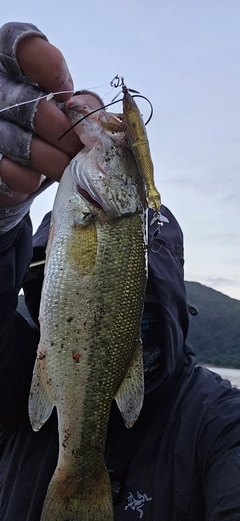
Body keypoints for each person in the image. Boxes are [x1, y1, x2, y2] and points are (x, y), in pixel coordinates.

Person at [0, 21, 240, 521]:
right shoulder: (11, 383)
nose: (117, 145)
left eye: (146, 302)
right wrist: (4, 226)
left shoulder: (219, 422)